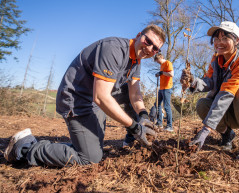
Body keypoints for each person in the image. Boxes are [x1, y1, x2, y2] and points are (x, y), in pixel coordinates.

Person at [4, 24, 166, 167]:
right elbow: (101, 97)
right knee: (90, 157)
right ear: (138, 36)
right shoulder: (115, 49)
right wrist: (134, 126)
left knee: (126, 93)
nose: (150, 48)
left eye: (155, 48)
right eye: (148, 41)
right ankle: (26, 148)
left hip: (95, 96)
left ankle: (131, 140)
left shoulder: (136, 60)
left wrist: (143, 116)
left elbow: (135, 93)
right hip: (76, 98)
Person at [180, 21, 239, 163]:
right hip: (230, 112)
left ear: (236, 40)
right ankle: (227, 135)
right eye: (216, 39)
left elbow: (226, 94)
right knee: (202, 104)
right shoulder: (215, 59)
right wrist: (192, 81)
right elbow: (208, 81)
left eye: (224, 38)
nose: (219, 43)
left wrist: (205, 130)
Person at [153, 53, 174, 132]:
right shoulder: (161, 65)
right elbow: (163, 74)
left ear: (161, 57)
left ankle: (169, 126)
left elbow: (171, 74)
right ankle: (159, 123)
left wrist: (162, 73)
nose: (158, 62)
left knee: (166, 106)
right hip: (161, 88)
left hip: (167, 88)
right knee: (157, 104)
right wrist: (159, 74)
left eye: (158, 60)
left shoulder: (168, 63)